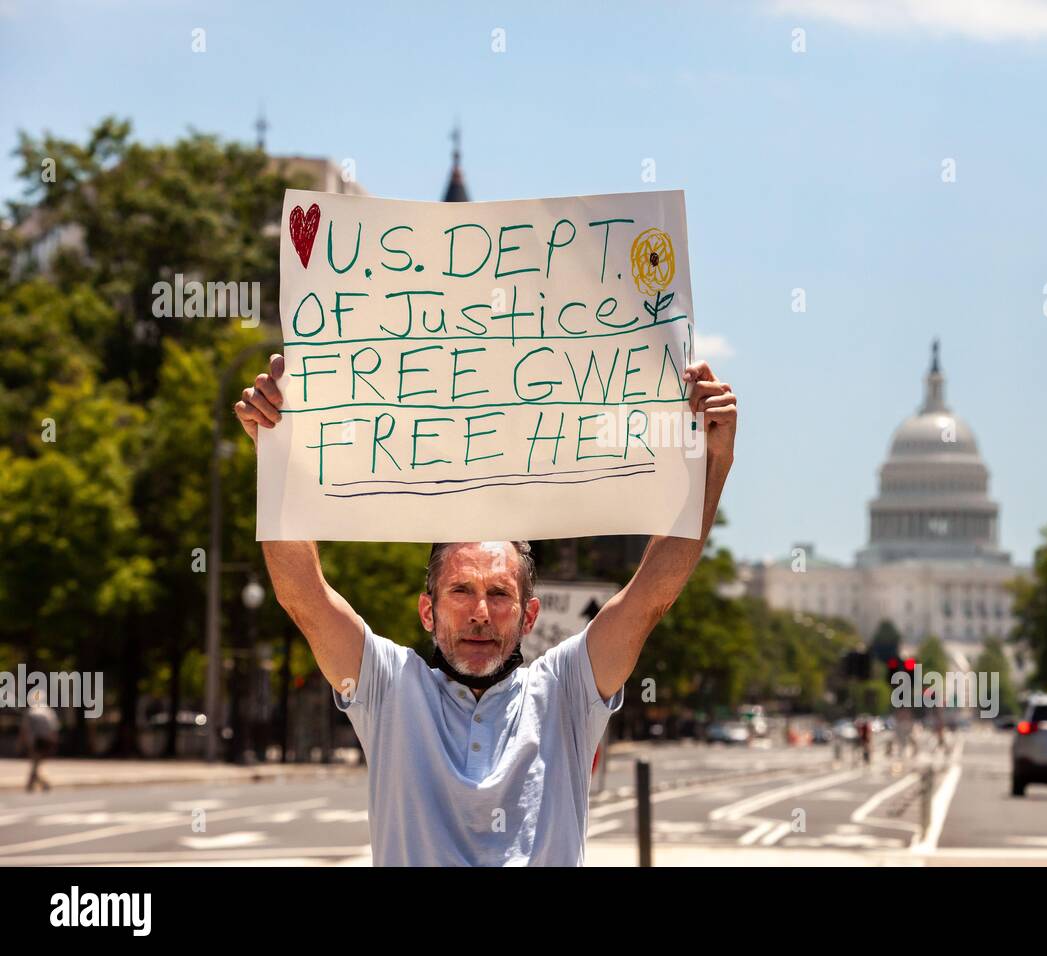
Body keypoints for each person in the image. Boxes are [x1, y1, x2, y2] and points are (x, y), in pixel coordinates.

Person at [234, 353, 737, 866]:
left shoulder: (565, 690)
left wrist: (713, 460)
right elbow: (304, 598)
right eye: (460, 591)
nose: (480, 612)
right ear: (427, 612)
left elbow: (651, 596)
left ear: (529, 616)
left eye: (499, 595)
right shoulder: (390, 687)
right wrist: (276, 456)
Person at [19, 689, 60, 792]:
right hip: (46, 741)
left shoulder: (31, 711)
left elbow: (25, 729)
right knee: (36, 763)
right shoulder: (48, 711)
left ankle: (37, 784)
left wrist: (22, 742)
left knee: (35, 763)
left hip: (34, 742)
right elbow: (54, 728)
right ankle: (33, 784)